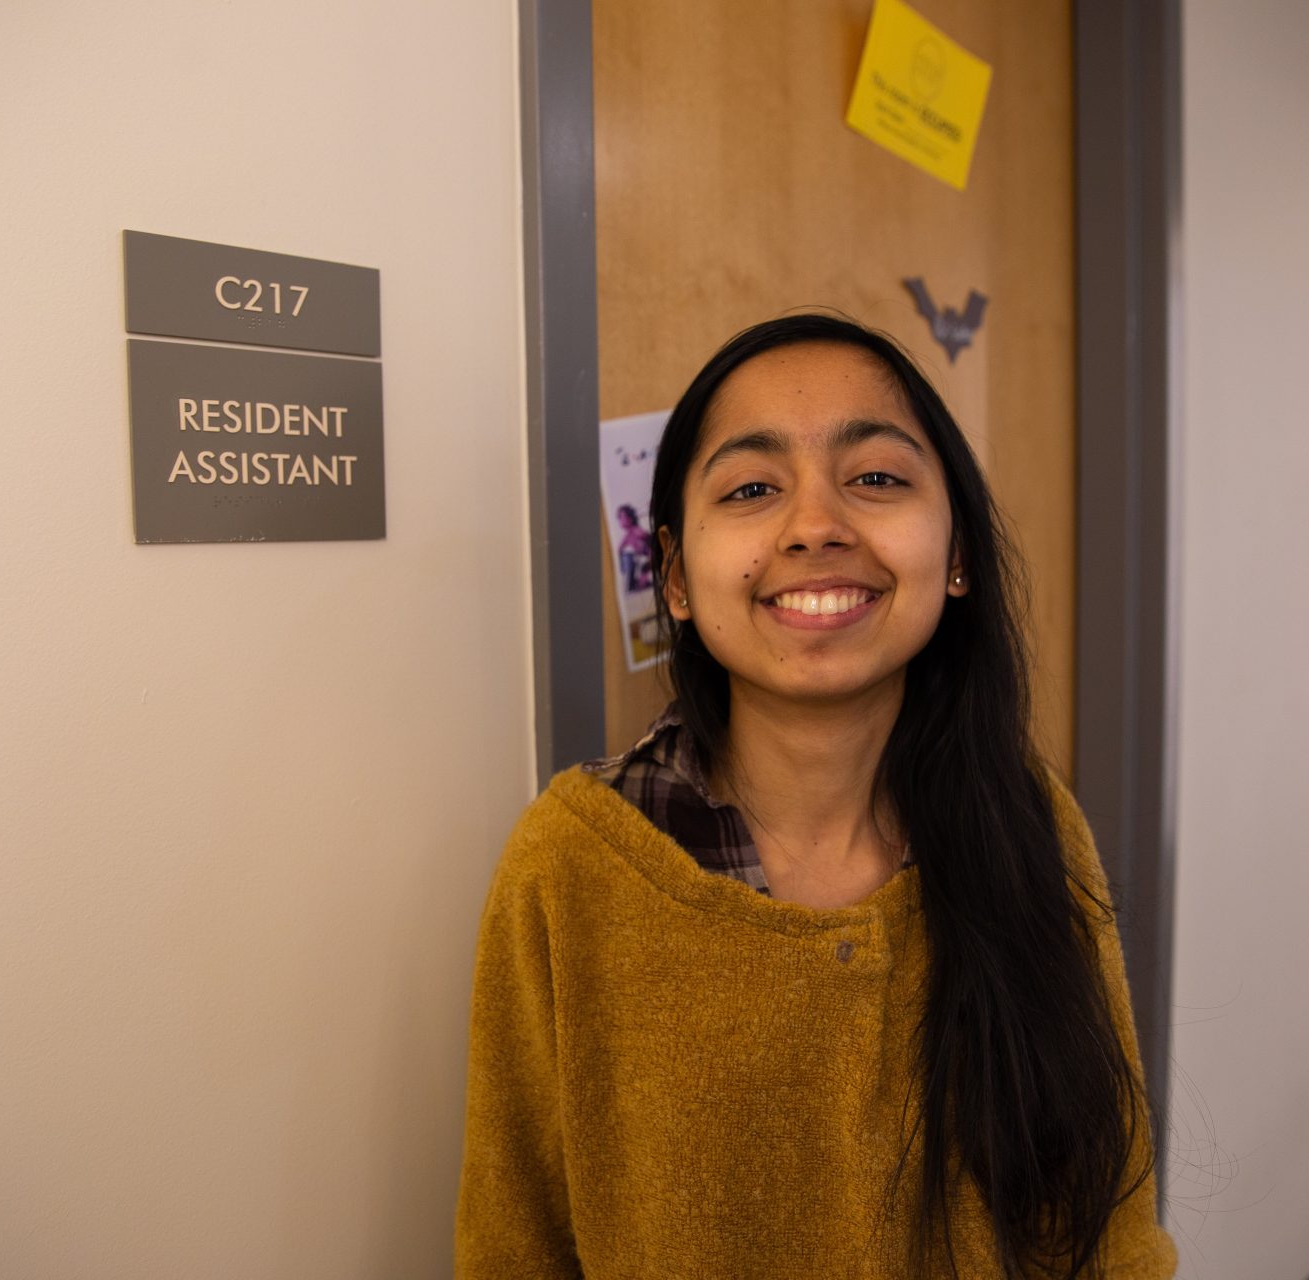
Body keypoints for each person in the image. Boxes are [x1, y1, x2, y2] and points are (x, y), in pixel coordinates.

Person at [455, 314, 1176, 1278]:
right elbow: (513, 1248)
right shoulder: (570, 863)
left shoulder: (1029, 823)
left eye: (876, 478)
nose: (817, 525)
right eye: (752, 489)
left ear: (956, 550)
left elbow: (1108, 1224)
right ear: (673, 574)